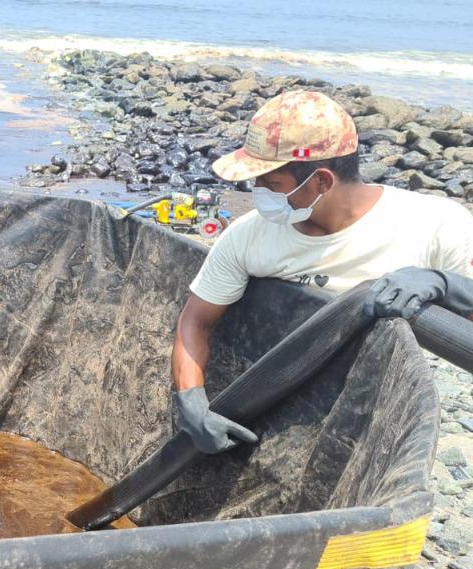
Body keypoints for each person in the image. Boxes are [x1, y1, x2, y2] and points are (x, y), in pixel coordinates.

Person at [171, 90, 473, 456]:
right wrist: (192, 401)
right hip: (272, 400)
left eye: (271, 184)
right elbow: (196, 321)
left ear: (322, 181)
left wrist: (444, 285)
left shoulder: (435, 226)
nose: (258, 193)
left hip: (365, 414)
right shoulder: (248, 236)